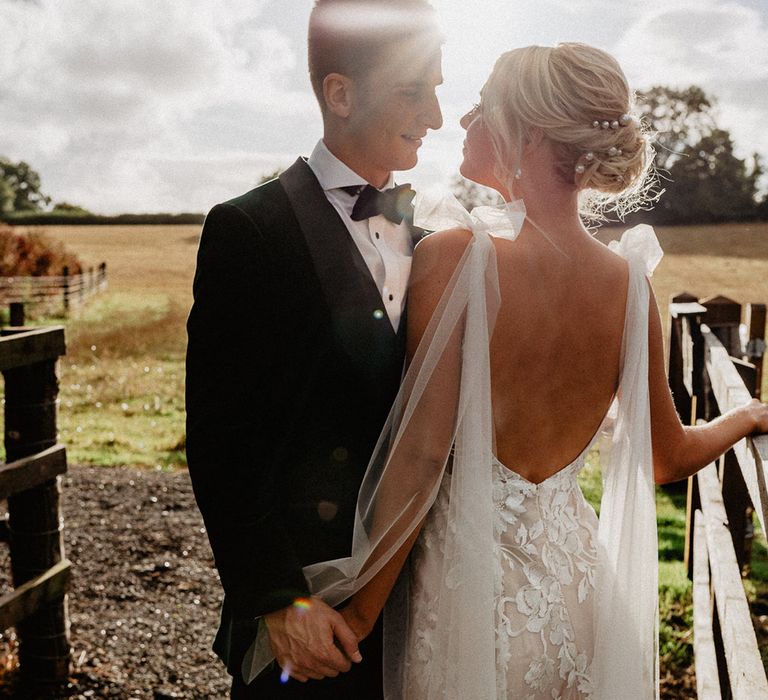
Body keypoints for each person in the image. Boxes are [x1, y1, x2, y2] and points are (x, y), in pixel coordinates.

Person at [262, 43, 768, 698]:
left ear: (527, 131)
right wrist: (747, 416)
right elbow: (667, 459)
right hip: (581, 600)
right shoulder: (629, 285)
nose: (463, 120)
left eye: (482, 104)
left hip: (474, 614)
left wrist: (359, 615)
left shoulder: (457, 259)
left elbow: (418, 458)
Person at [185, 1, 443, 697]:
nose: (437, 117)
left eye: (439, 90)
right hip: (308, 614)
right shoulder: (251, 230)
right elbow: (219, 440)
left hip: (415, 600)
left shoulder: (436, 242)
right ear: (341, 93)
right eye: (415, 91)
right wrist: (276, 600)